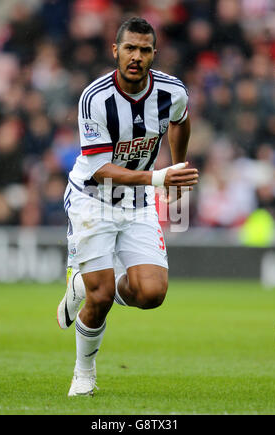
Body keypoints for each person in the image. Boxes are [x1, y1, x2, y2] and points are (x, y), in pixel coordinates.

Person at [56, 17, 199, 396]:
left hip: (136, 204)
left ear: (154, 53)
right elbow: (101, 168)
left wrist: (178, 168)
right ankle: (84, 372)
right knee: (100, 297)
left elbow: (181, 121)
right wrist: (160, 178)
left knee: (151, 294)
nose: (136, 56)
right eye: (130, 48)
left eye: (145, 49)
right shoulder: (95, 97)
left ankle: (82, 283)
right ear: (115, 50)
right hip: (92, 200)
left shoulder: (172, 91)